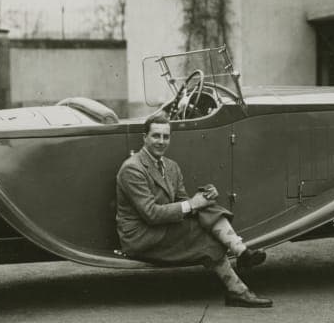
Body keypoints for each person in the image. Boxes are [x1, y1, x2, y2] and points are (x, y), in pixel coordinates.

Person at [115, 111, 272, 308]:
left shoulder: (171, 166)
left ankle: (241, 260)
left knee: (206, 207)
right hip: (142, 237)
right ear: (144, 137)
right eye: (156, 136)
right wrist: (193, 204)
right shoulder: (132, 168)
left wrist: (204, 198)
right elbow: (151, 214)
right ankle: (238, 281)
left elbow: (182, 201)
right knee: (204, 233)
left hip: (162, 228)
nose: (161, 141)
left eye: (166, 136)